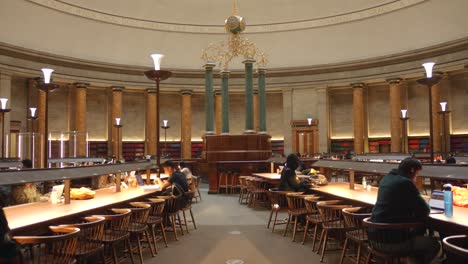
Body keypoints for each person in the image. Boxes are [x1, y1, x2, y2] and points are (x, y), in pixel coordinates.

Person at [370, 158, 440, 264]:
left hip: (374, 237)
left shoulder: (386, 178)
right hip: (389, 241)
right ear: (412, 170)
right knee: (434, 244)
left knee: (418, 233)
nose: (416, 179)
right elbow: (425, 209)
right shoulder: (405, 183)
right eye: (417, 175)